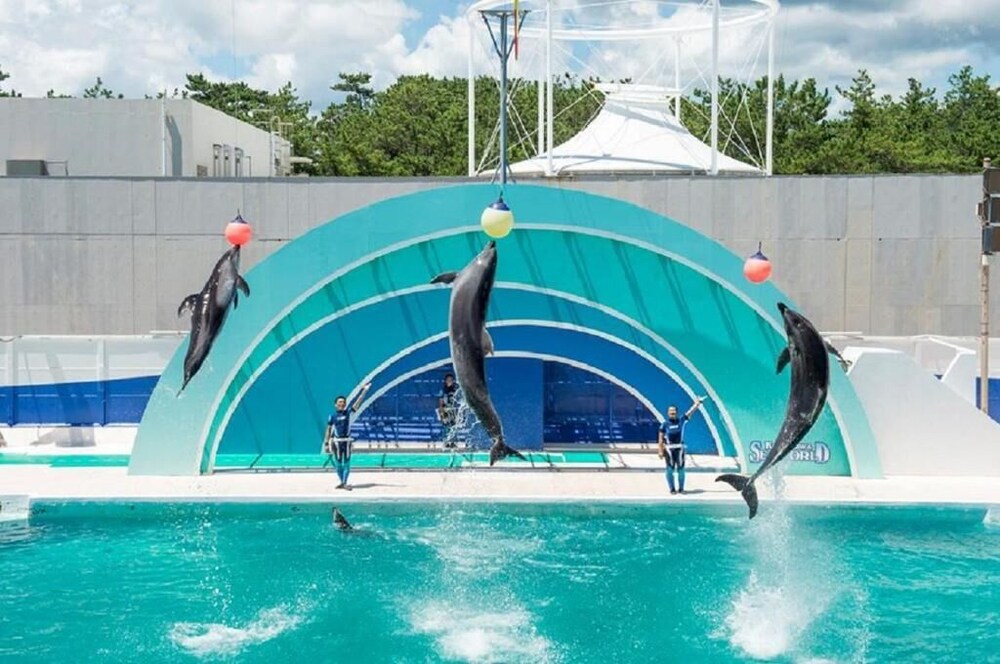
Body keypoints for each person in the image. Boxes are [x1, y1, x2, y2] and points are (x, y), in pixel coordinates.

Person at [324, 382, 371, 490]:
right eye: (339, 402)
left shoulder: (349, 413)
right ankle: (342, 482)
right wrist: (326, 443)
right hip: (337, 442)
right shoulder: (332, 416)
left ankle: (344, 482)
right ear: (335, 404)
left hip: (347, 441)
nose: (342, 403)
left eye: (343, 402)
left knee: (347, 463)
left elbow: (358, 403)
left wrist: (364, 391)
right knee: (338, 463)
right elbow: (328, 430)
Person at [657, 395, 707, 495]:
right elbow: (660, 439)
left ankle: (681, 488)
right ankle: (672, 489)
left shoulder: (681, 421)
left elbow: (690, 412)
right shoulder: (664, 425)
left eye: (674, 411)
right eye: (670, 411)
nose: (672, 412)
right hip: (669, 450)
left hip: (680, 449)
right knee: (670, 469)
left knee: (681, 469)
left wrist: (698, 403)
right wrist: (660, 451)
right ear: (668, 413)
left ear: (676, 412)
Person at [436, 372, 458, 448]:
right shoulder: (443, 390)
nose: (450, 381)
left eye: (451, 380)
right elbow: (440, 402)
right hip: (445, 410)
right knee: (446, 426)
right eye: (448, 380)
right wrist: (442, 412)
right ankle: (446, 442)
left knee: (454, 426)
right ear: (445, 381)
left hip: (453, 410)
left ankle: (453, 442)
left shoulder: (455, 390)